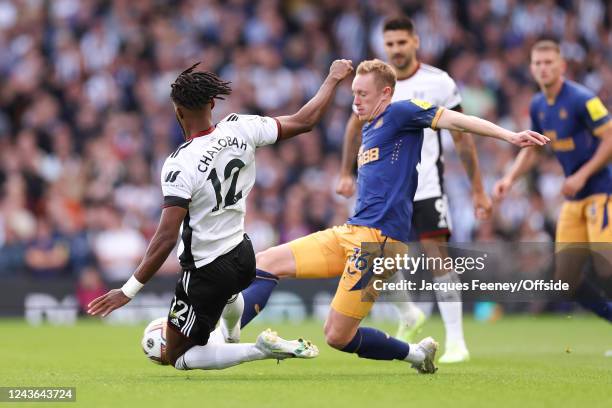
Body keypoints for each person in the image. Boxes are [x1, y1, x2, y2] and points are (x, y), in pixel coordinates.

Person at [228, 59, 548, 375]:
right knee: (267, 261)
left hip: (378, 246)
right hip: (351, 233)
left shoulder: (401, 112)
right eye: (353, 93)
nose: (355, 101)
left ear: (385, 93)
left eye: (363, 94)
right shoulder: (370, 128)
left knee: (337, 336)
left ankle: (413, 353)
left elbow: (457, 121)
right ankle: (226, 339)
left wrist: (509, 135)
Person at [87, 58, 355, 370]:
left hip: (205, 270)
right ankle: (231, 339)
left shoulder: (179, 164)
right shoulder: (241, 127)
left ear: (178, 111)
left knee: (178, 357)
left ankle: (259, 349)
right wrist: (333, 79)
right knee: (229, 297)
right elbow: (305, 120)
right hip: (242, 254)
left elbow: (165, 238)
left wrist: (128, 290)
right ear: (213, 103)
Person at [335, 16, 492, 363]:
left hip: (426, 185)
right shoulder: (375, 83)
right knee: (377, 256)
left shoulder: (438, 82)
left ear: (416, 42)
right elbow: (352, 128)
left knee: (437, 253)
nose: (396, 49)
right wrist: (346, 172)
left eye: (402, 42)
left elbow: (462, 138)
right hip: (383, 192)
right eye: (390, 44)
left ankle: (456, 341)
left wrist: (478, 189)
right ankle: (409, 313)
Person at [493, 39, 612, 324]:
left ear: (562, 66)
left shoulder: (583, 99)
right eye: (538, 63)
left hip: (601, 192)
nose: (543, 68)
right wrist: (509, 178)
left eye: (549, 63)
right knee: (566, 281)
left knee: (606, 265)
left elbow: (610, 138)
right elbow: (534, 150)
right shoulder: (538, 105)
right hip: (573, 198)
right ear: (532, 68)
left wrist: (582, 175)